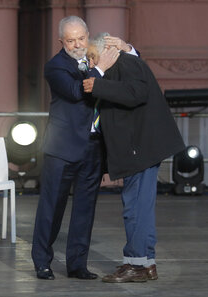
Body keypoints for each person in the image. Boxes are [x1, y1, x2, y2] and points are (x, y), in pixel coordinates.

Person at [31, 16, 137, 280]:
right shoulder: (55, 66)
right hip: (62, 150)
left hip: (93, 148)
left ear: (88, 35)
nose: (77, 44)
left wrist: (125, 50)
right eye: (70, 40)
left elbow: (127, 75)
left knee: (85, 209)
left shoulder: (95, 58)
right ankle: (42, 262)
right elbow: (77, 91)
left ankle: (77, 265)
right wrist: (99, 68)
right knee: (51, 208)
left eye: (81, 38)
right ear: (61, 41)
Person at [83, 33, 185, 282]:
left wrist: (99, 85)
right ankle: (146, 263)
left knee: (135, 209)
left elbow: (136, 93)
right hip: (141, 148)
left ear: (107, 51)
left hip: (140, 148)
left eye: (92, 57)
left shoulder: (126, 64)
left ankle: (136, 264)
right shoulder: (128, 62)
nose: (90, 64)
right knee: (141, 208)